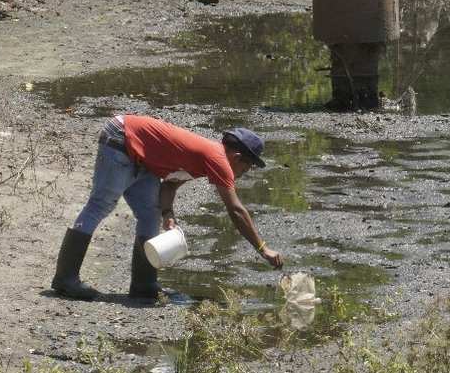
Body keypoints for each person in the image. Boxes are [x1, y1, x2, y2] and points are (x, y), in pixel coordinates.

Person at [51, 114, 284, 301]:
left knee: (150, 214)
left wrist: (167, 213)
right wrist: (263, 249)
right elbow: (236, 210)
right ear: (237, 156)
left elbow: (170, 185)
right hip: (122, 138)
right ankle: (65, 279)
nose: (246, 172)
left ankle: (144, 285)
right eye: (249, 166)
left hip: (142, 157)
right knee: (100, 205)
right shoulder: (218, 159)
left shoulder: (206, 158)